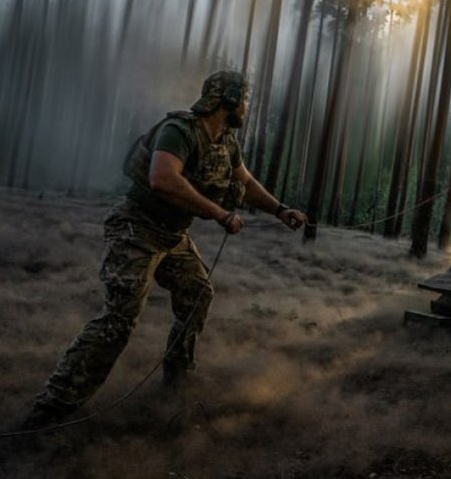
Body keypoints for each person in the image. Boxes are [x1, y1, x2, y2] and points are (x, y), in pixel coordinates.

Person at [24, 70, 308, 427]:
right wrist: (220, 214)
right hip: (136, 229)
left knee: (197, 294)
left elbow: (246, 183)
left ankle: (177, 381)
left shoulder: (227, 142)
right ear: (230, 99)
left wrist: (281, 210)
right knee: (118, 321)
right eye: (246, 99)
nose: (248, 107)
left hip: (173, 237)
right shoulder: (179, 131)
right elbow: (163, 178)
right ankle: (50, 410)